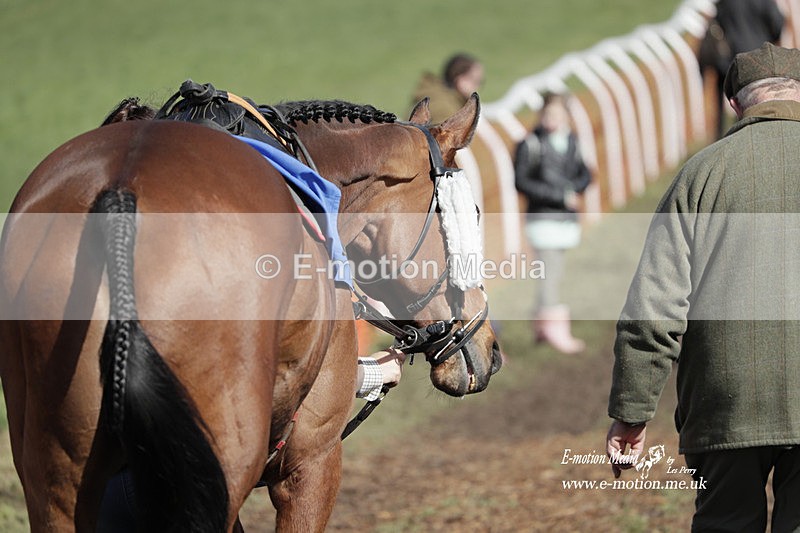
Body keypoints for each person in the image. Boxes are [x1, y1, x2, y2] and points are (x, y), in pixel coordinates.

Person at [606, 43, 800, 532]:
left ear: (734, 103)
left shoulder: (701, 174)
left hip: (724, 405)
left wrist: (632, 411)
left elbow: (655, 305)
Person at [513, 92, 592, 354]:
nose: (552, 120)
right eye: (548, 115)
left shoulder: (571, 140)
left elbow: (585, 172)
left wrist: (576, 189)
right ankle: (555, 330)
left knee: (555, 274)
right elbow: (521, 182)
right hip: (542, 220)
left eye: (557, 115)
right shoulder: (530, 143)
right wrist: (560, 196)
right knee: (550, 275)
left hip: (565, 222)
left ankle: (543, 327)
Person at [699, 0, 784, 138]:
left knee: (724, 108)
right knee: (754, 106)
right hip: (758, 61)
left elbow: (717, 22)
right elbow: (777, 24)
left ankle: (720, 141)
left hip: (729, 62)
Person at [411, 53, 484, 124]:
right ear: (460, 80)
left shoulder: (437, 94)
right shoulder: (445, 109)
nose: (478, 86)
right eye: (476, 81)